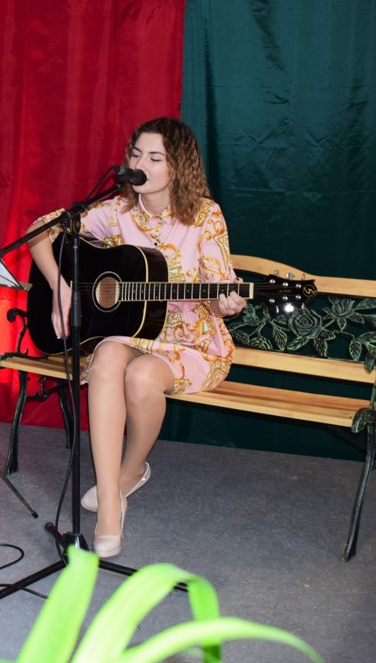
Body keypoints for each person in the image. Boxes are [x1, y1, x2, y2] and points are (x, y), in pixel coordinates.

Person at [26, 117, 245, 557]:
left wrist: (225, 302)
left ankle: (131, 471)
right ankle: (111, 501)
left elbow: (218, 288)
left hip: (190, 341)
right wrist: (59, 286)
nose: (141, 164)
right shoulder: (116, 211)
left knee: (141, 377)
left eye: (155, 157)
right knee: (109, 353)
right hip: (132, 334)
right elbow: (38, 232)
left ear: (178, 166)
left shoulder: (205, 216)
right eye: (136, 154)